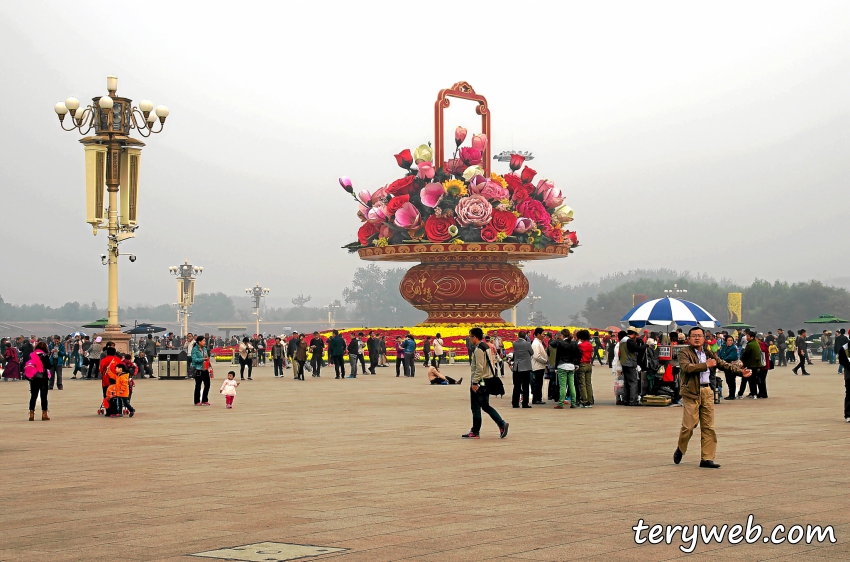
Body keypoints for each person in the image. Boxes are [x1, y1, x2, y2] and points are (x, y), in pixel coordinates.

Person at [673, 327, 749, 469]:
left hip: (707, 391)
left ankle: (707, 458)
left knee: (708, 427)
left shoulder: (708, 352)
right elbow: (687, 368)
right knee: (689, 426)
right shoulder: (684, 353)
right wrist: (705, 365)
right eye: (694, 336)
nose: (696, 338)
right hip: (691, 393)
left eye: (699, 336)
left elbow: (722, 364)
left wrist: (740, 372)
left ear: (704, 338)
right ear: (689, 338)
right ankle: (681, 448)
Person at [462, 327, 509, 440]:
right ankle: (501, 423)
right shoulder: (487, 346)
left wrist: (474, 383)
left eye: (470, 336)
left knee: (476, 407)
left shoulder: (478, 350)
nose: (470, 338)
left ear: (474, 337)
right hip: (487, 381)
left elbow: (479, 368)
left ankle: (475, 431)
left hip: (480, 382)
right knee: (485, 406)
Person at [550, 329, 580, 409]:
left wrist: (556, 367)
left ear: (562, 335)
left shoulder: (560, 343)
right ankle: (573, 403)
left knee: (563, 386)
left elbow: (558, 356)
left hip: (562, 366)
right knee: (572, 385)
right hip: (571, 366)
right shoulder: (574, 343)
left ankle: (560, 403)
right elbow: (578, 354)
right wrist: (577, 364)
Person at [26, 341, 53, 421]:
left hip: (33, 378)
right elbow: (48, 366)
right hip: (43, 378)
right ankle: (44, 414)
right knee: (43, 396)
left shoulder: (31, 355)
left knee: (33, 396)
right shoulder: (44, 355)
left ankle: (31, 414)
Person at [619, 327, 645, 406]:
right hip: (630, 363)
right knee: (633, 382)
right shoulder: (629, 341)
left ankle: (626, 400)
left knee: (627, 383)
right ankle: (633, 401)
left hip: (624, 363)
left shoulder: (622, 340)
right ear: (633, 334)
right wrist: (646, 345)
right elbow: (636, 349)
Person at [511, 331, 533, 408]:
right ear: (525, 337)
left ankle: (515, 403)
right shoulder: (527, 344)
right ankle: (525, 403)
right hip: (525, 367)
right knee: (525, 386)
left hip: (517, 367)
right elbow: (532, 352)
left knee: (516, 386)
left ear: (518, 336)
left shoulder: (514, 343)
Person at [576, 329, 595, 408]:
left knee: (582, 384)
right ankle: (590, 400)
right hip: (588, 364)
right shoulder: (590, 345)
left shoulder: (580, 345)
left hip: (582, 364)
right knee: (588, 383)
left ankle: (584, 400)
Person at [717, 335, 740, 400]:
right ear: (726, 341)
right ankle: (730, 394)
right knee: (728, 380)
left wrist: (723, 360)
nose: (730, 342)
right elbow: (721, 354)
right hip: (725, 366)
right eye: (729, 340)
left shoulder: (733, 348)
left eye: (731, 340)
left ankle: (732, 395)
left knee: (732, 380)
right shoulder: (723, 347)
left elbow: (732, 356)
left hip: (732, 366)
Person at [191, 335, 212, 405]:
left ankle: (204, 399)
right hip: (198, 369)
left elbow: (207, 357)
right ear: (199, 342)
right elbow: (194, 360)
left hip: (205, 368)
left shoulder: (205, 349)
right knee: (198, 385)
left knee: (207, 384)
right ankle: (197, 401)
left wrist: (209, 366)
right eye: (203, 341)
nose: (204, 342)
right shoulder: (194, 350)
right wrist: (202, 359)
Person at [530, 327, 548, 405]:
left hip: (540, 366)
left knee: (539, 383)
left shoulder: (539, 342)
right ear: (538, 334)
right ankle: (536, 399)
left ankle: (538, 398)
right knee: (537, 383)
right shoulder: (536, 344)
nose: (544, 336)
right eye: (543, 334)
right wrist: (545, 361)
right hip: (537, 366)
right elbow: (536, 356)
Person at [836, 338, 850, 421]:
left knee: (849, 394)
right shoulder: (844, 348)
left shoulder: (844, 348)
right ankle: (848, 415)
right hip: (849, 375)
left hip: (848, 375)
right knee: (849, 394)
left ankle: (848, 415)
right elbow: (842, 361)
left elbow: (841, 361)